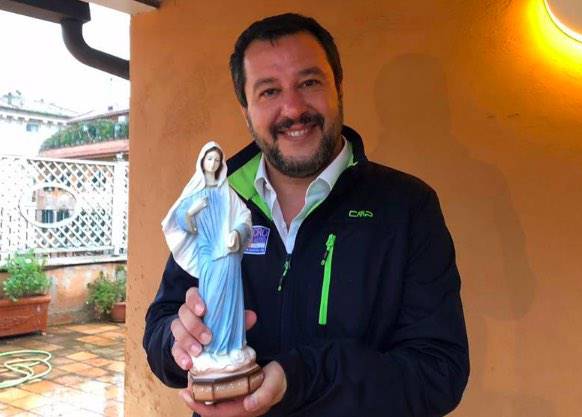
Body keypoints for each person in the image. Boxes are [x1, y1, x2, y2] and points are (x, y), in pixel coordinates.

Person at [144, 13, 469, 417]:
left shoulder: (407, 207)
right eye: (269, 91)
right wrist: (178, 344)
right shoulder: (217, 202)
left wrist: (301, 379)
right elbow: (160, 326)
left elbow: (438, 374)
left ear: (338, 89)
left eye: (309, 83)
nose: (293, 108)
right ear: (246, 111)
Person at [161, 142, 255, 375]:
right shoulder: (195, 193)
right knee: (210, 304)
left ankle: (233, 345)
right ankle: (212, 348)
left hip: (230, 256)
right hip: (209, 256)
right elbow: (183, 221)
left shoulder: (227, 193)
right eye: (209, 159)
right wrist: (193, 211)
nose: (212, 164)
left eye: (216, 160)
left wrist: (237, 233)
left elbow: (244, 218)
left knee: (231, 303)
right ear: (202, 162)